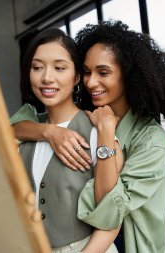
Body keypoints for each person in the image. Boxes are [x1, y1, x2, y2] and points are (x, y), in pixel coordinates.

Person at [11, 21, 165, 252]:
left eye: (103, 72)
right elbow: (12, 128)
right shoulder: (83, 114)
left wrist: (105, 133)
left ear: (129, 75)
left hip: (132, 240)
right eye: (86, 72)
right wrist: (49, 132)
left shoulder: (150, 139)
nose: (90, 82)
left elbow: (110, 209)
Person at [12, 27, 122, 253]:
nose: (47, 77)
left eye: (59, 68)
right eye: (37, 67)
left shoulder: (97, 135)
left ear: (77, 77)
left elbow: (111, 218)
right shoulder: (26, 131)